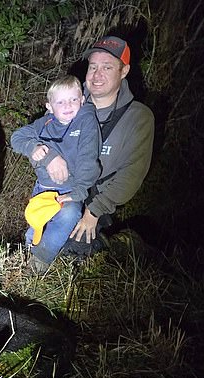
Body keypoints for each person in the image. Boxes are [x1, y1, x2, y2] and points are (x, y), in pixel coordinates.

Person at [63, 36, 154, 254]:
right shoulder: (67, 103)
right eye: (93, 66)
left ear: (124, 71)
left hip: (96, 201)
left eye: (107, 67)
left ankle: (118, 241)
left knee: (71, 253)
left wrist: (94, 212)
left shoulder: (138, 117)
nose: (97, 75)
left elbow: (132, 173)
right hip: (63, 193)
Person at [11, 75, 101, 270]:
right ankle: (23, 258)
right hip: (42, 188)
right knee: (36, 222)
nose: (68, 105)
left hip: (70, 190)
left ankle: (41, 260)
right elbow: (16, 138)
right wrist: (33, 147)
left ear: (82, 100)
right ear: (50, 106)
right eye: (60, 102)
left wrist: (78, 192)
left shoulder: (86, 122)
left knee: (69, 215)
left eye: (73, 100)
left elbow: (88, 160)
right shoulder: (44, 123)